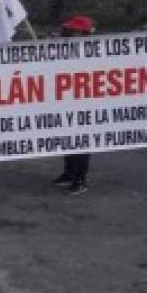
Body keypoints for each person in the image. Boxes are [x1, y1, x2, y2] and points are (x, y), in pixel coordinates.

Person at [53, 16, 96, 196]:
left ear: (83, 34)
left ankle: (80, 180)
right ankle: (69, 173)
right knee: (68, 140)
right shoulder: (67, 50)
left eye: (73, 32)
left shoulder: (94, 52)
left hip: (85, 104)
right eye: (68, 31)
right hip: (68, 101)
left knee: (81, 143)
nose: (68, 34)